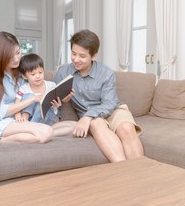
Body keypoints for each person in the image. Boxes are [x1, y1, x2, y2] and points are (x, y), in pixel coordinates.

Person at [54, 29, 144, 162]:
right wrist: (63, 100)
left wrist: (87, 117)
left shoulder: (106, 73)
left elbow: (109, 103)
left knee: (126, 128)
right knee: (96, 124)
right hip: (94, 119)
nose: (76, 59)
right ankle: (124, 171)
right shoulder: (63, 72)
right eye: (73, 54)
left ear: (93, 56)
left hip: (113, 110)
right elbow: (56, 98)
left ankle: (142, 173)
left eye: (82, 56)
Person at [0, 31, 53, 144]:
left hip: (20, 119)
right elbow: (0, 113)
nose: (16, 59)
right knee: (46, 132)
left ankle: (27, 134)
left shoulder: (22, 72)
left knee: (72, 126)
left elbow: (35, 86)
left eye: (18, 52)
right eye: (10, 57)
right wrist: (31, 99)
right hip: (0, 122)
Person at [14, 53, 76, 136]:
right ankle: (28, 125)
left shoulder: (51, 85)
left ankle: (28, 129)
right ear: (25, 76)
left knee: (41, 105)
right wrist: (18, 115)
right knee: (30, 97)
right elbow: (17, 103)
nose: (38, 76)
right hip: (31, 118)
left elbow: (61, 100)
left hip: (49, 116)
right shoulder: (24, 88)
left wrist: (66, 97)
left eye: (40, 72)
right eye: (33, 74)